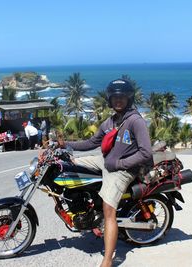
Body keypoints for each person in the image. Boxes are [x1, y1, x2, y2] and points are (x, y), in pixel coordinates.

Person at [63, 79, 153, 267]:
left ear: (129, 98)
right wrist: (66, 145)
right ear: (110, 100)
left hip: (123, 170)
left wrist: (120, 163)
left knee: (109, 209)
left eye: (122, 97)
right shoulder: (110, 121)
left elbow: (146, 153)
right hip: (105, 162)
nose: (118, 101)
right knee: (69, 165)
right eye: (115, 97)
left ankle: (107, 260)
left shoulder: (135, 121)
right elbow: (91, 143)